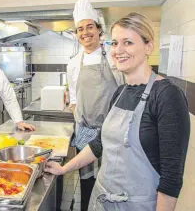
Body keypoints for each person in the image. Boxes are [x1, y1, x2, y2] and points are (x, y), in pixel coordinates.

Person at [46, 12, 190, 211]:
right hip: (102, 200)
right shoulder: (121, 92)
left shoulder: (167, 96)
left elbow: (171, 179)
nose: (118, 50)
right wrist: (64, 168)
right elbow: (99, 144)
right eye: (114, 43)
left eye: (128, 42)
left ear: (149, 46)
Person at [66, 0, 124, 210]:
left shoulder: (113, 57)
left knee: (109, 177)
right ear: (76, 34)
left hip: (112, 131)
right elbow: (73, 96)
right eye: (80, 29)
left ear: (99, 30)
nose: (85, 32)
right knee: (86, 178)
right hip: (85, 131)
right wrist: (80, 120)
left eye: (90, 26)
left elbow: (123, 91)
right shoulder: (73, 63)